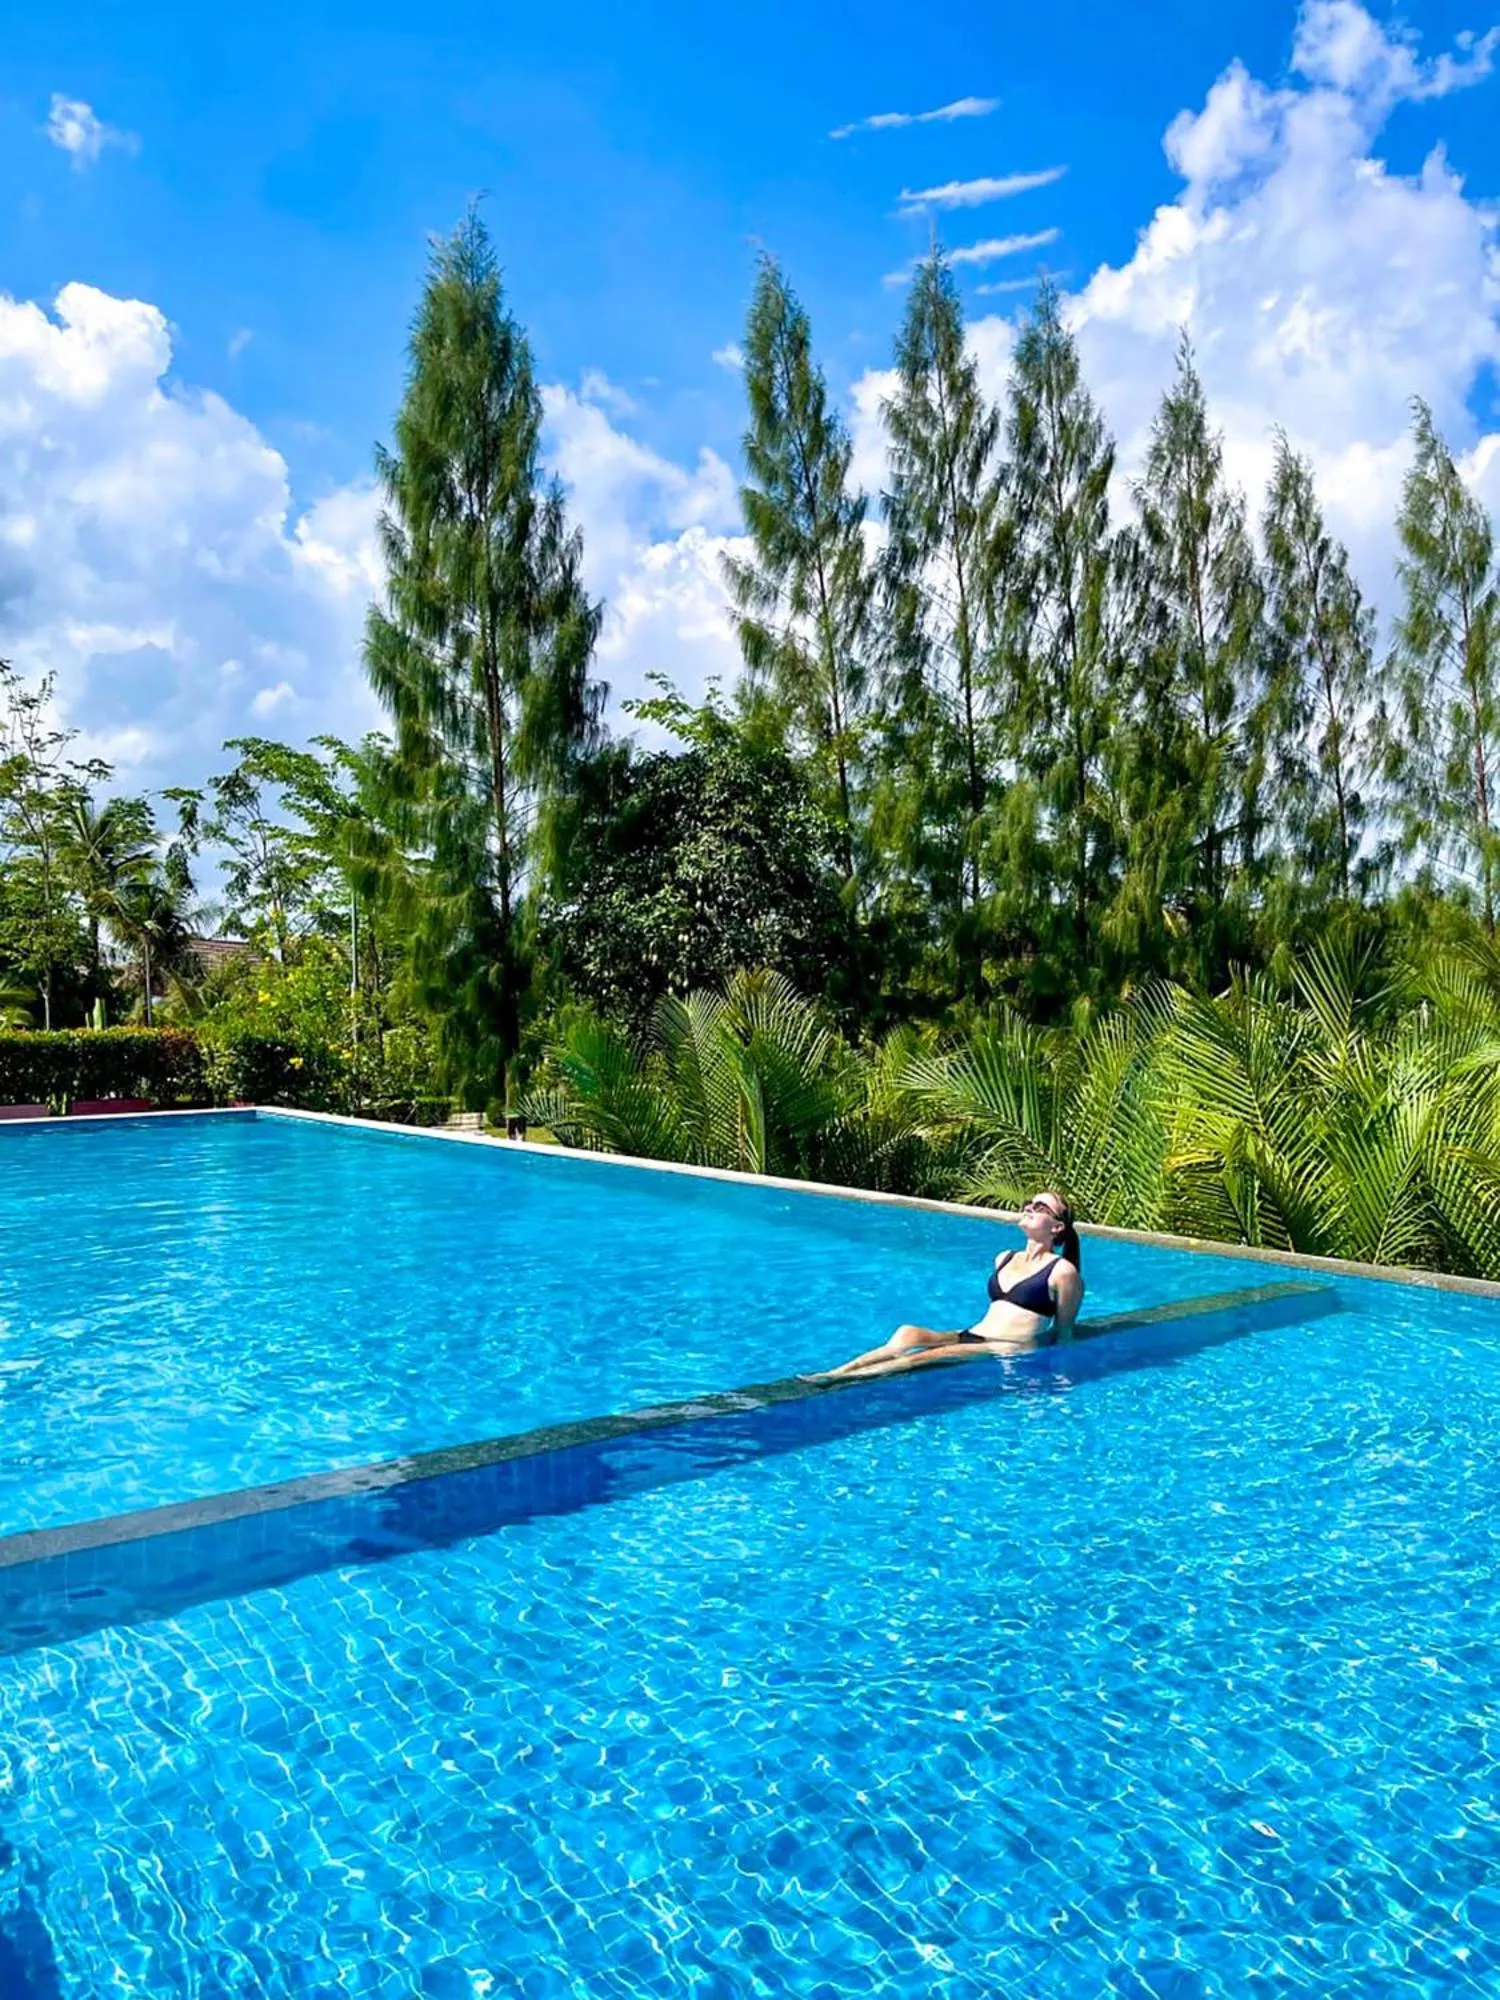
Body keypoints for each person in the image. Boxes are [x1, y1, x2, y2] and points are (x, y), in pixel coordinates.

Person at [820, 1193, 1084, 1378]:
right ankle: (838, 1372)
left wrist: (1058, 1375)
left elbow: (1063, 1332)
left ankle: (843, 1381)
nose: (1029, 1208)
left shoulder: (1063, 1272)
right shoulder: (1004, 1258)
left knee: (924, 1357)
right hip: (973, 1334)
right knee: (908, 1334)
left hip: (1005, 1347)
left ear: (1057, 1227)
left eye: (1040, 1207)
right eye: (1029, 1203)